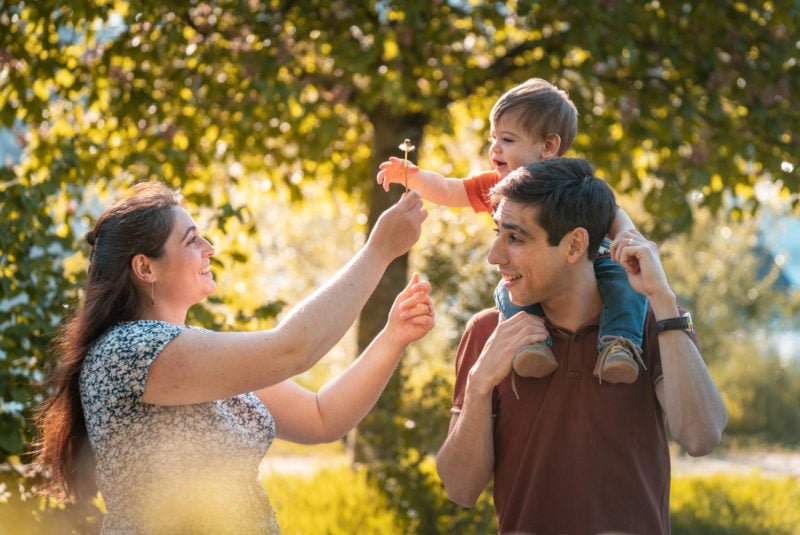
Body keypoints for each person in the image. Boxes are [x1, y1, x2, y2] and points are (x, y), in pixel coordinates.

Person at [32, 181, 432, 533]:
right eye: (191, 240)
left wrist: (392, 338)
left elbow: (321, 417)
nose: (210, 249)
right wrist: (379, 251)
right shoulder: (130, 351)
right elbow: (292, 349)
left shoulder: (191, 347)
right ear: (144, 267)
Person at [435, 158, 727, 534]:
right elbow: (460, 488)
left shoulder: (656, 323)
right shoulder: (489, 332)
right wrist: (478, 385)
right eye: (497, 233)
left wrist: (662, 297)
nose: (494, 255)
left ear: (574, 245)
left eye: (515, 238)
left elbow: (701, 437)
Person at [377, 78, 648, 388]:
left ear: (548, 146)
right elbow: (450, 190)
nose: (495, 148)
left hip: (593, 261)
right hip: (528, 271)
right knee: (510, 294)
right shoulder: (497, 184)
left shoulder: (571, 183)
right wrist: (414, 176)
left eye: (507, 139)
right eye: (493, 137)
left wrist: (629, 240)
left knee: (623, 283)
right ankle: (532, 345)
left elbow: (614, 214)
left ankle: (619, 344)